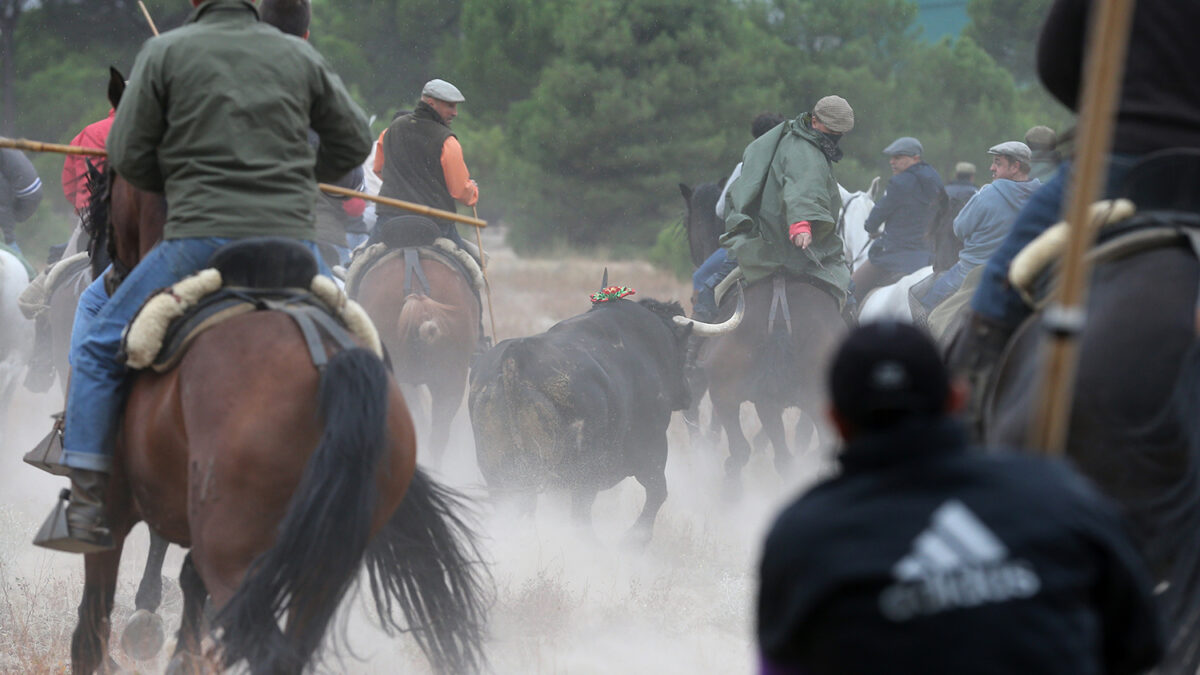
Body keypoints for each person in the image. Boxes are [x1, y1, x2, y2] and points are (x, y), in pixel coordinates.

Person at [36, 0, 372, 553]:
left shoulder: (165, 54)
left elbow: (126, 154)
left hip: (198, 242)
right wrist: (304, 175)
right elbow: (354, 146)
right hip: (291, 244)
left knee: (97, 337)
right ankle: (371, 483)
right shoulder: (297, 55)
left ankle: (90, 502)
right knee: (362, 347)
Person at [756, 321, 1164, 675]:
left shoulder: (800, 534)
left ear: (836, 421)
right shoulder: (1058, 491)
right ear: (957, 400)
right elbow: (1141, 643)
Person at [957, 0, 1200, 394]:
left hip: (1118, 158)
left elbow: (1055, 62)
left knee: (1002, 282)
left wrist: (1114, 107)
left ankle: (962, 401)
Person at [691, 95, 855, 321]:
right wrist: (801, 223)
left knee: (708, 291)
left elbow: (723, 209)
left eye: (840, 132)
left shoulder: (781, 145)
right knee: (849, 292)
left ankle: (693, 350)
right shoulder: (807, 150)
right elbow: (801, 189)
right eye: (833, 130)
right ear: (814, 121)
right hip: (795, 245)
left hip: (759, 243)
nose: (836, 136)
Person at [260, 0, 367, 268]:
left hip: (224, 232)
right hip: (313, 234)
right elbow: (356, 154)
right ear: (305, 36)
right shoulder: (316, 75)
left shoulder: (225, 70)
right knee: (343, 307)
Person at [916, 142, 1041, 311]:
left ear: (1015, 167)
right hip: (1020, 275)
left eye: (998, 163)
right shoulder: (1040, 197)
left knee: (926, 303)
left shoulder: (987, 194)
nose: (991, 168)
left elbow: (959, 229)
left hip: (972, 272)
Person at [376, 78, 478, 252]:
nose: (455, 113)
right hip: (436, 224)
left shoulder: (389, 130)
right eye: (450, 106)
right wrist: (473, 193)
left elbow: (379, 169)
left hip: (390, 219)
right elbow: (460, 191)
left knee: (359, 265)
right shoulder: (447, 141)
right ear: (431, 103)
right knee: (473, 269)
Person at [692, 112, 785, 297]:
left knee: (700, 278)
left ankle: (701, 320)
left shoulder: (744, 167)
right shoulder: (794, 166)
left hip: (751, 247)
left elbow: (720, 210)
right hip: (793, 245)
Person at [851, 137, 945, 303]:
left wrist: (871, 228)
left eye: (899, 157)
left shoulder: (900, 182)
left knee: (849, 290)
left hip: (896, 255)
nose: (892, 162)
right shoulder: (935, 179)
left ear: (916, 158)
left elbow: (879, 213)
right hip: (929, 255)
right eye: (892, 157)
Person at [0, 148, 43, 259]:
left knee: (7, 239)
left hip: (26, 195)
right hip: (30, 190)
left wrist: (7, 234)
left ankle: (27, 271)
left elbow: (3, 203)